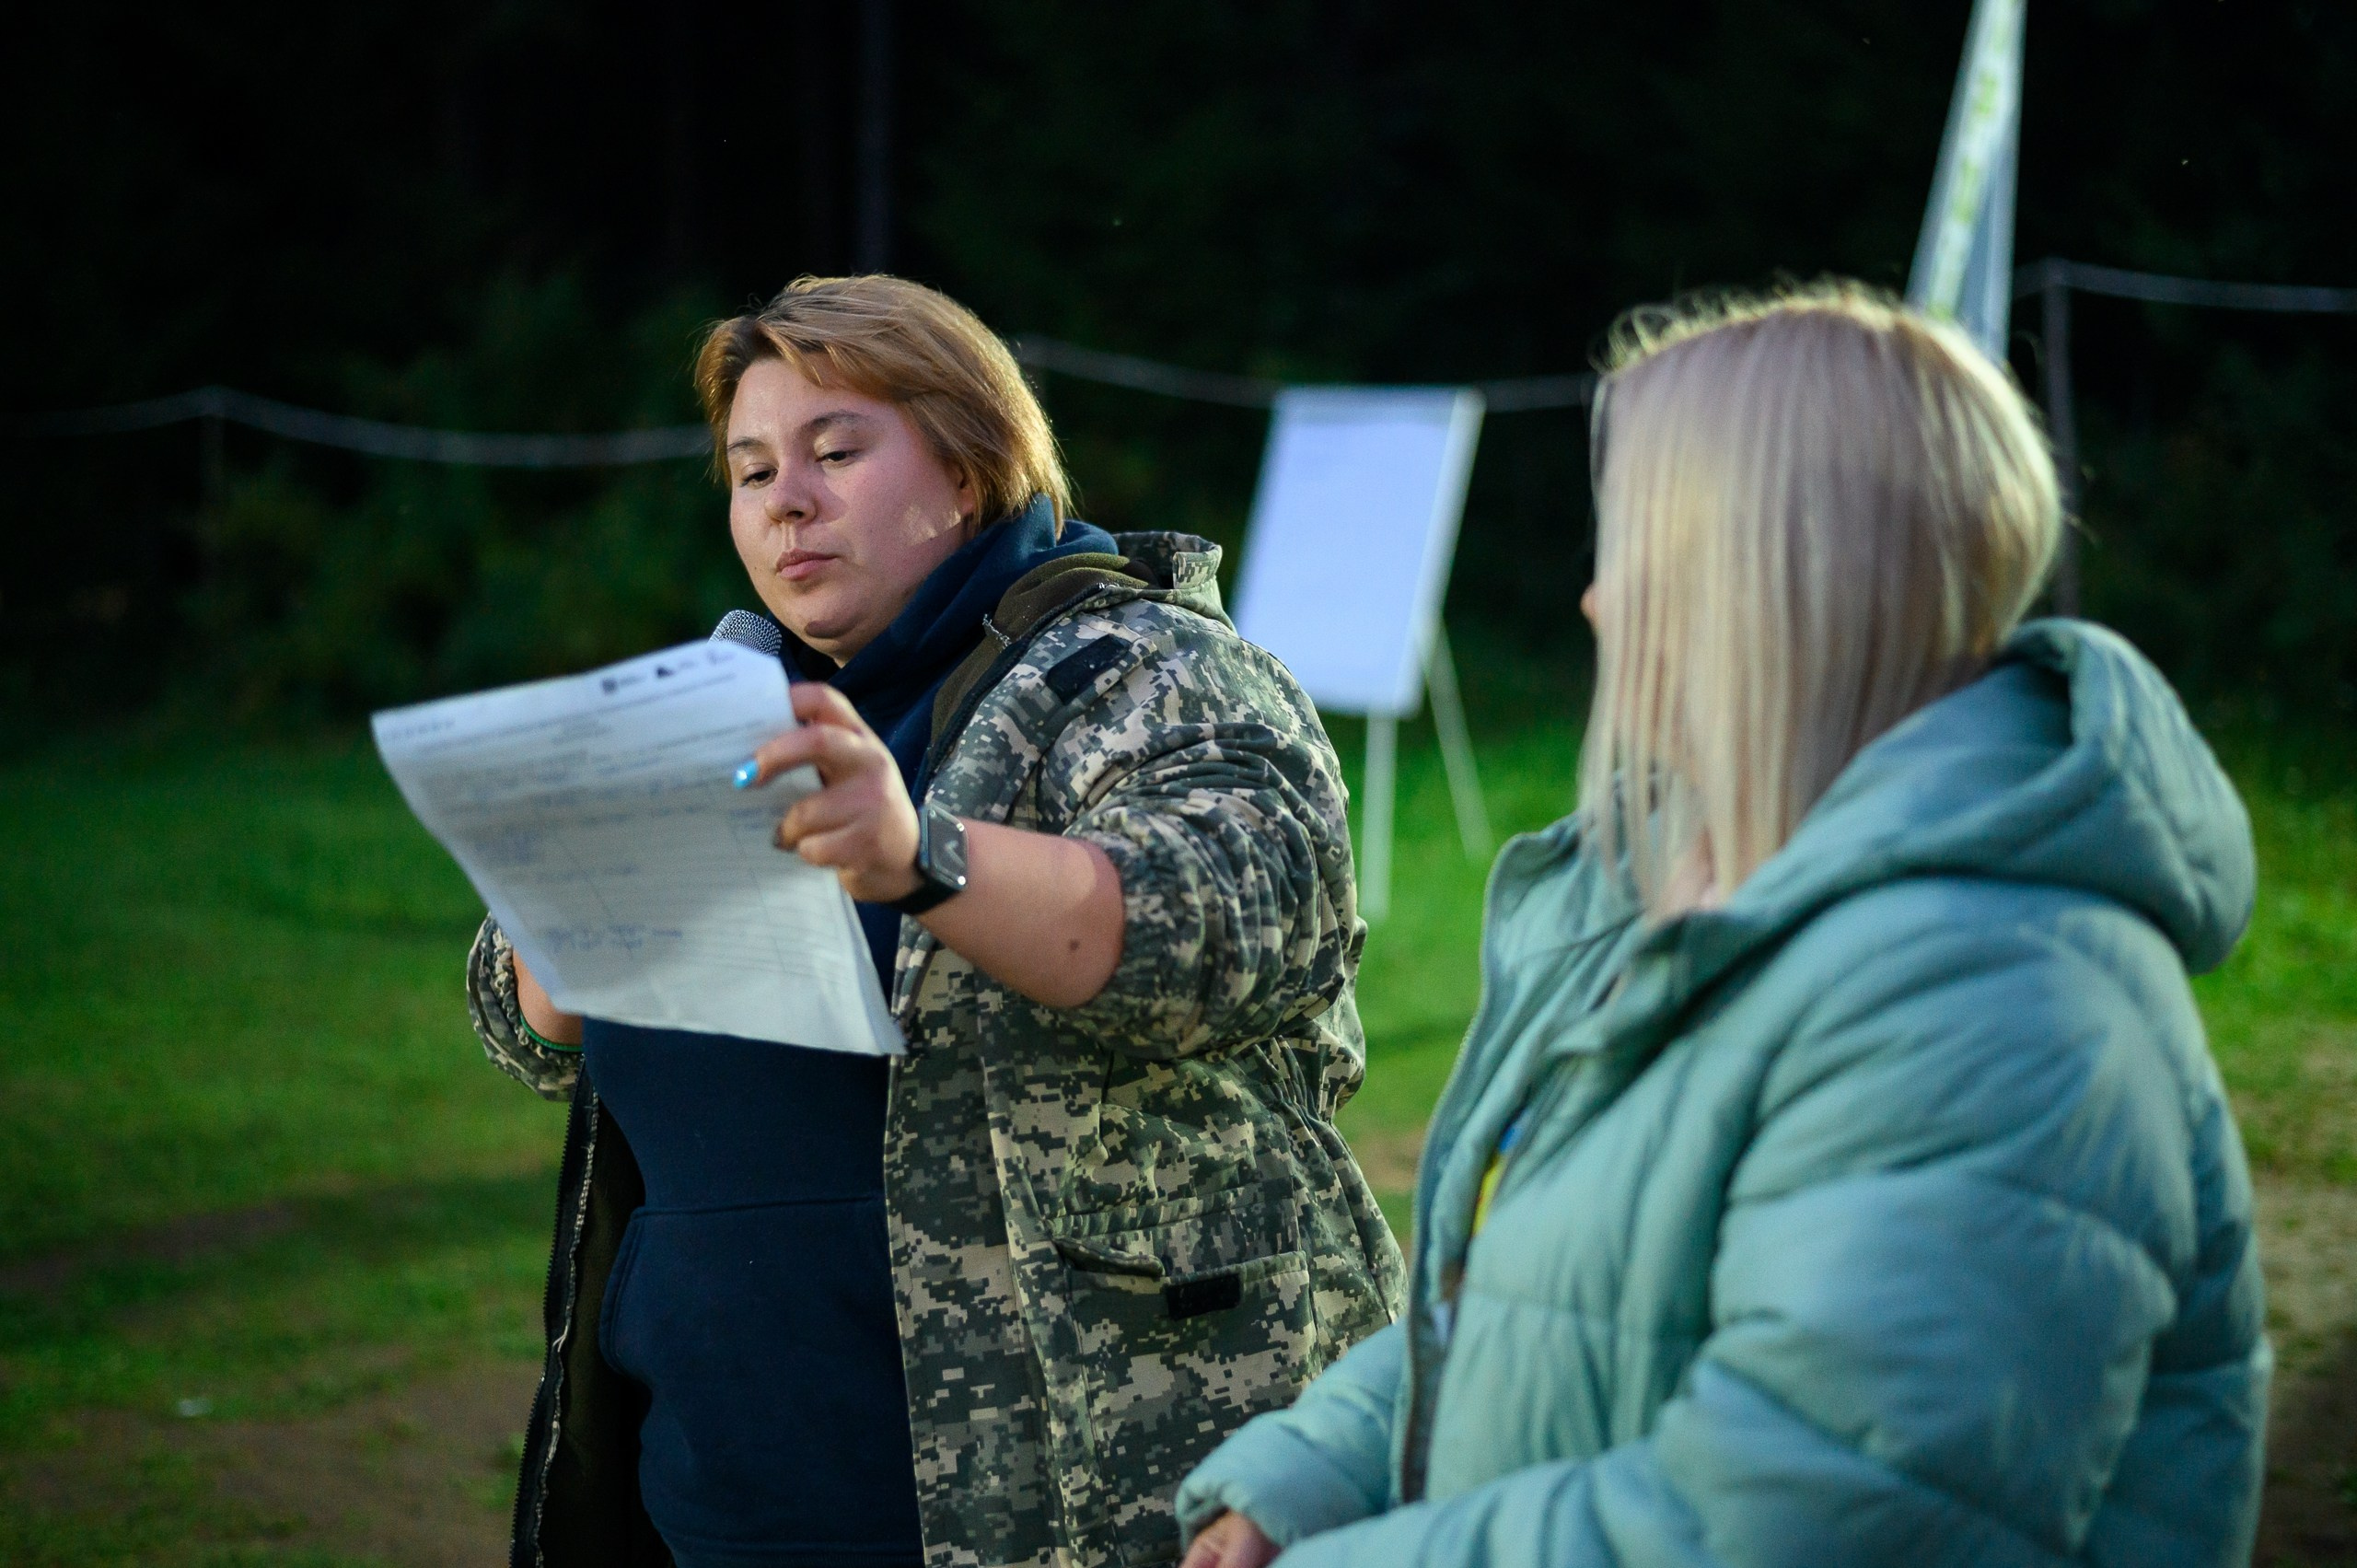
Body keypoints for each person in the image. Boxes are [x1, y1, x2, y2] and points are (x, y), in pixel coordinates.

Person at [1176, 285, 2268, 1567]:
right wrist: (1306, 1477)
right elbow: (1533, 1309)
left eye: (1631, 542)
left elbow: (1801, 1521)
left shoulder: (1993, 998)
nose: (1594, 602)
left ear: (1765, 575)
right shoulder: (1673, 891)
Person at [463, 274, 1405, 1568]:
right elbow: (531, 1032)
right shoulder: (711, 710)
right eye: (749, 471)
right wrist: (548, 942)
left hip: (1079, 1507)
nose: (785, 497)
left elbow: (1235, 924)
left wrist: (923, 857)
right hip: (720, 1490)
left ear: (969, 471)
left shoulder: (1149, 667)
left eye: (835, 450)